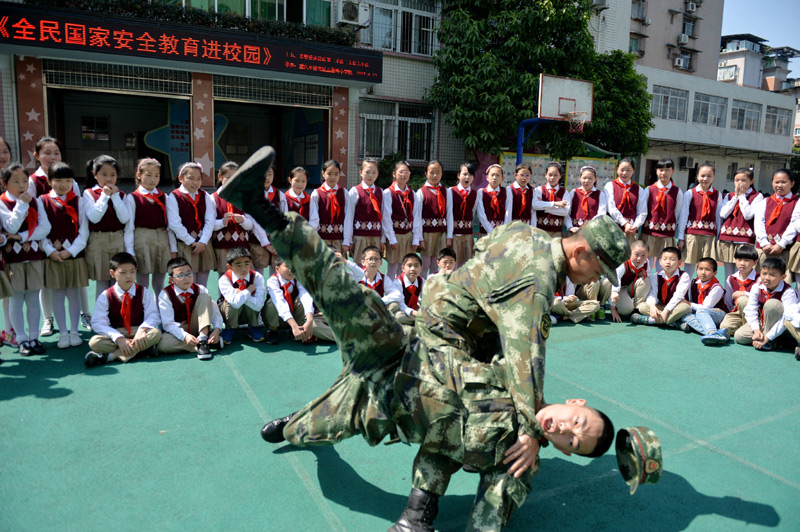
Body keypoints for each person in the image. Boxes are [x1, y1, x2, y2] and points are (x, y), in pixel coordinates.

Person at [216, 145, 634, 532]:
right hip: (413, 349)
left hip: (403, 385)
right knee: (348, 296)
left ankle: (302, 427)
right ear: (581, 253)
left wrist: (523, 430)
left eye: (571, 439)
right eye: (597, 271)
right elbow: (527, 350)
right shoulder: (538, 289)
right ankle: (261, 206)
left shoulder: (524, 232)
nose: (565, 427)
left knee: (328, 418)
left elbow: (485, 261)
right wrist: (529, 428)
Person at [0, 163, 51, 356]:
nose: (22, 185)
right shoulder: (3, 202)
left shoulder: (36, 201)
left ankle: (34, 337)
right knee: (16, 299)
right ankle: (21, 339)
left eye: (25, 181)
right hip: (13, 259)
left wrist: (20, 237)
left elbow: (45, 228)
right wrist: (21, 204)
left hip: (34, 255)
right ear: (4, 184)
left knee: (33, 298)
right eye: (16, 181)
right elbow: (10, 226)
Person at [40, 163, 89, 349]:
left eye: (68, 180)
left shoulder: (79, 201)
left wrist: (71, 251)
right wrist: (50, 251)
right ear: (49, 181)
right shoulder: (42, 201)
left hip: (74, 256)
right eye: (58, 180)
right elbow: (40, 230)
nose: (63, 185)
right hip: (53, 257)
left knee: (74, 293)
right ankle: (63, 332)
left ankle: (74, 332)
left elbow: (84, 231)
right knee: (58, 294)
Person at [85, 252, 162, 367]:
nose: (129, 276)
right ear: (112, 273)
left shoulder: (144, 292)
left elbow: (153, 315)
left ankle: (111, 356)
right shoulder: (106, 295)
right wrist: (119, 338)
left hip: (138, 331)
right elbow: (98, 322)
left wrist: (142, 330)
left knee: (156, 333)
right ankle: (143, 349)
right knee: (94, 342)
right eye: (123, 272)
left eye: (132, 272)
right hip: (117, 331)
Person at [83, 155, 131, 304]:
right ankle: (101, 314)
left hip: (118, 240)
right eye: (104, 174)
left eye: (112, 175)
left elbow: (124, 218)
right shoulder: (89, 193)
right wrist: (104, 196)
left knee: (118, 281)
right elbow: (94, 217)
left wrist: (115, 197)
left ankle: (117, 313)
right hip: (99, 241)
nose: (108, 179)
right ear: (95, 174)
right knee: (102, 282)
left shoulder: (121, 195)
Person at [124, 158, 176, 294]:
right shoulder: (133, 197)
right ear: (139, 175)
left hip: (162, 240)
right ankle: (144, 306)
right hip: (142, 240)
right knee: (143, 282)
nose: (153, 179)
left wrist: (173, 247)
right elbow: (129, 227)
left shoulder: (164, 197)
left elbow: (170, 225)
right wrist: (130, 251)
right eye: (148, 175)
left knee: (159, 283)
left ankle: (159, 306)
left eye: (156, 175)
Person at [158, 257, 223, 360]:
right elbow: (168, 324)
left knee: (205, 297)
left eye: (189, 273)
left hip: (198, 326)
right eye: (180, 275)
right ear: (171, 279)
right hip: (179, 329)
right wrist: (185, 336)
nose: (186, 278)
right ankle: (203, 345)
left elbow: (214, 311)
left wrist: (217, 329)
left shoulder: (200, 289)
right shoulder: (165, 294)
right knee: (162, 344)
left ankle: (203, 339)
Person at [264, 255, 335, 345]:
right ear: (277, 269)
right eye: (287, 266)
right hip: (277, 318)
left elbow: (306, 298)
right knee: (272, 303)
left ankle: (296, 329)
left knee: (302, 300)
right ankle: (272, 330)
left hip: (295, 317)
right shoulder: (272, 281)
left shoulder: (299, 279)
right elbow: (280, 304)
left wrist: (309, 320)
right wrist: (293, 325)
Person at [166, 162, 216, 287]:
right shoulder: (174, 197)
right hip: (186, 245)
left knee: (203, 284)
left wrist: (203, 241)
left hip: (203, 245)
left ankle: (202, 299)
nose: (195, 182)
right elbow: (174, 224)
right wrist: (191, 242)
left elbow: (210, 220)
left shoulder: (205, 196)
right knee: (187, 282)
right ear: (181, 178)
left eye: (199, 179)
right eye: (191, 178)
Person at [735, 257, 797, 350]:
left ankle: (770, 339)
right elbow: (751, 309)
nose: (767, 278)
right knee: (739, 336)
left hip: (781, 326)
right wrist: (756, 330)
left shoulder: (788, 292)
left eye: (772, 275)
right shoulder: (757, 286)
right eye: (764, 274)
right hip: (762, 322)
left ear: (783, 277)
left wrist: (767, 337)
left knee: (772, 304)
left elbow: (786, 318)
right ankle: (771, 341)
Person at [677, 162, 722, 277]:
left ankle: (703, 288)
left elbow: (718, 217)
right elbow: (684, 216)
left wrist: (717, 238)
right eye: (702, 175)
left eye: (709, 176)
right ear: (697, 176)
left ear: (713, 177)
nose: (705, 179)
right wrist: (681, 237)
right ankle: (686, 287)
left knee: (706, 268)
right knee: (689, 267)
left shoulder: (717, 195)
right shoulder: (689, 193)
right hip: (692, 235)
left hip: (709, 236)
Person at [211, 161, 255, 277]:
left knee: (243, 275)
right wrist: (222, 222)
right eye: (228, 177)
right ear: (220, 177)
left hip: (241, 245)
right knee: (224, 277)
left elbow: (251, 224)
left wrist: (243, 220)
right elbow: (210, 224)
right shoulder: (213, 198)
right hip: (222, 246)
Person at [717, 168, 762, 279]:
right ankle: (728, 290)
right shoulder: (729, 196)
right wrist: (735, 197)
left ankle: (741, 290)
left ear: (751, 181)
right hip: (727, 237)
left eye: (743, 180)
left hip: (744, 239)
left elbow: (748, 215)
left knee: (742, 272)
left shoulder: (757, 196)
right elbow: (723, 214)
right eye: (737, 180)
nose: (740, 183)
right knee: (728, 274)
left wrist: (742, 196)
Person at [640, 158, 683, 272]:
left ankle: (661, 282)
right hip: (649, 232)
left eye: (667, 170)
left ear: (673, 171)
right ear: (656, 171)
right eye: (661, 170)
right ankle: (647, 282)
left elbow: (677, 212)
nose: (664, 173)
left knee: (664, 263)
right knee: (647, 262)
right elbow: (644, 210)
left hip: (667, 234)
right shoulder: (649, 190)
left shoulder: (677, 192)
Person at [631, 246, 691, 326]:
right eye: (665, 259)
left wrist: (666, 311)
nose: (668, 262)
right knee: (642, 306)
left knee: (686, 307)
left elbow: (678, 296)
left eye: (672, 259)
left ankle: (650, 320)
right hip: (661, 306)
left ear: (679, 262)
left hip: (675, 307)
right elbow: (652, 293)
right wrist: (652, 306)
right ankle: (673, 322)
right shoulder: (657, 275)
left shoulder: (684, 276)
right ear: (660, 261)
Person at [218, 247, 267, 344]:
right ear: (229, 266)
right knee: (230, 302)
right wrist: (248, 291)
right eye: (238, 265)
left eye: (246, 264)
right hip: (230, 313)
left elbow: (259, 306)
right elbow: (235, 304)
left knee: (247, 300)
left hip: (249, 311)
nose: (243, 269)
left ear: (251, 262)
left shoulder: (257, 277)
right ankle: (230, 328)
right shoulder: (224, 279)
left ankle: (253, 326)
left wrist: (240, 294)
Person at [678, 257, 730, 345]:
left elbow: (706, 307)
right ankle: (715, 333)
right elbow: (692, 301)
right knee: (686, 316)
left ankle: (712, 332)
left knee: (701, 311)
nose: (703, 272)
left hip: (717, 313)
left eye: (707, 270)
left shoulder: (716, 287)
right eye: (700, 269)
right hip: (700, 312)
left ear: (715, 273)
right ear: (696, 270)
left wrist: (689, 304)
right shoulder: (694, 282)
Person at [382, 161, 420, 280]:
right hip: (395, 235)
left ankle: (401, 288)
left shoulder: (412, 194)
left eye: (407, 172)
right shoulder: (388, 193)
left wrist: (416, 237)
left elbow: (416, 216)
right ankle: (389, 289)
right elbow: (386, 217)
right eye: (401, 172)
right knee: (392, 266)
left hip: (408, 235)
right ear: (394, 174)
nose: (404, 175)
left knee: (404, 266)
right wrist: (391, 238)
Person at [753, 169, 798, 268]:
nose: (779, 185)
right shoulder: (765, 201)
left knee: (783, 276)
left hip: (786, 250)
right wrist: (764, 243)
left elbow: (794, 225)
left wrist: (781, 244)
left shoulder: (797, 203)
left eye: (784, 182)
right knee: (762, 275)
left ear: (792, 183)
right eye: (776, 182)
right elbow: (759, 223)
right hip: (765, 249)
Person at [343, 158, 384, 262]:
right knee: (359, 264)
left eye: (374, 172)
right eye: (367, 172)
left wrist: (383, 238)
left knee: (374, 264)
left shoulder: (381, 192)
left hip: (375, 237)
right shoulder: (355, 191)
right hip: (359, 237)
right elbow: (349, 217)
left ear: (378, 174)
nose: (370, 175)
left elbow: (384, 217)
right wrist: (348, 239)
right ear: (361, 172)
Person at [249, 163, 285, 277]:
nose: (266, 178)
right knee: (258, 271)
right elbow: (254, 220)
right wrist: (266, 243)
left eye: (270, 174)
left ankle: (272, 290)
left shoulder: (280, 195)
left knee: (275, 270)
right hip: (257, 240)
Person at [414, 160, 449, 277]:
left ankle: (433, 286)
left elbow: (449, 214)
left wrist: (448, 236)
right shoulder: (421, 192)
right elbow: (417, 216)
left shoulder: (446, 191)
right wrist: (420, 238)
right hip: (426, 234)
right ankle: (422, 286)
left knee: (436, 264)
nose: (435, 175)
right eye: (431, 172)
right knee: (425, 264)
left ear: (442, 174)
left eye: (438, 172)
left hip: (441, 234)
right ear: (426, 174)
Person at [719, 245, 759, 337]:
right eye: (739, 260)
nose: (742, 263)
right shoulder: (731, 278)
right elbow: (728, 301)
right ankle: (742, 326)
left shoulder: (759, 279)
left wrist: (745, 293)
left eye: (747, 260)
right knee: (724, 326)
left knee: (742, 300)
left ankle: (749, 327)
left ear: (755, 262)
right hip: (738, 312)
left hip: (755, 313)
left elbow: (762, 299)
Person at [605, 157, 646, 244]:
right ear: (617, 170)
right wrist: (624, 223)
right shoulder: (610, 186)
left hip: (631, 230)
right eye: (622, 170)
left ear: (633, 171)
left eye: (628, 170)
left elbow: (642, 211)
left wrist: (635, 225)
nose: (624, 173)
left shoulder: (639, 189)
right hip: (613, 229)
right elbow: (611, 208)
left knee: (630, 251)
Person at [310, 159, 348, 253]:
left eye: (336, 174)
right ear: (323, 173)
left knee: (338, 261)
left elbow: (348, 217)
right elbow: (314, 218)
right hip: (321, 239)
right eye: (329, 174)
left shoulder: (344, 193)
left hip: (339, 239)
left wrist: (347, 240)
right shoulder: (316, 194)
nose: (333, 177)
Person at [610, 240, 651, 322]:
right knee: (626, 310)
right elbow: (615, 280)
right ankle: (617, 305)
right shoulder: (623, 262)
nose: (639, 258)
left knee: (646, 281)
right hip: (620, 288)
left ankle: (637, 309)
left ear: (648, 254)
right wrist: (613, 309)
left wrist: (644, 275)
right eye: (636, 254)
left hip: (630, 286)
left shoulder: (646, 262)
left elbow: (649, 278)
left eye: (643, 255)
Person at [446, 162, 477, 269]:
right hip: (454, 234)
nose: (467, 177)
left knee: (466, 264)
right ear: (458, 175)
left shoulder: (475, 193)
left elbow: (473, 211)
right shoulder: (451, 191)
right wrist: (449, 235)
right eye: (464, 174)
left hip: (468, 234)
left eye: (470, 175)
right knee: (453, 263)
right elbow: (449, 213)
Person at [358, 246, 402, 310]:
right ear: (363, 262)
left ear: (381, 262)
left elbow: (397, 294)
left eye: (376, 259)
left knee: (394, 305)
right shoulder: (356, 277)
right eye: (370, 259)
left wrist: (378, 301)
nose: (373, 262)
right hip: (360, 309)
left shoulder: (384, 278)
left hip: (377, 309)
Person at [566, 165, 608, 233]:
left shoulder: (600, 194)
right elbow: (567, 212)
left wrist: (590, 225)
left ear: (595, 179)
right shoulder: (574, 192)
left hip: (593, 232)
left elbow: (601, 213)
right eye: (584, 178)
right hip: (574, 231)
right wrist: (570, 227)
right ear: (580, 178)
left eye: (590, 178)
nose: (587, 181)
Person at [532, 161, 569, 237]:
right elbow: (535, 205)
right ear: (545, 175)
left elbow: (565, 211)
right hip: (540, 230)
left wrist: (544, 207)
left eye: (556, 175)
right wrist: (555, 204)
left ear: (560, 176)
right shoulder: (539, 190)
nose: (552, 178)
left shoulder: (564, 192)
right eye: (550, 175)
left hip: (557, 231)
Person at [393, 252, 424, 326]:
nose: (413, 269)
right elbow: (400, 304)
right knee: (398, 317)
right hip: (401, 310)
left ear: (421, 268)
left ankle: (420, 320)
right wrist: (413, 312)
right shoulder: (398, 282)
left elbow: (426, 298)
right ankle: (419, 321)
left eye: (416, 265)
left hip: (415, 309)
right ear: (403, 268)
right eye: (409, 266)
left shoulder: (422, 281)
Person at [476, 163, 506, 235]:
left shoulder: (507, 192)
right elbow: (481, 213)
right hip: (485, 232)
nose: (494, 178)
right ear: (487, 177)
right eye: (492, 175)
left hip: (502, 233)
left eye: (498, 175)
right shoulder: (481, 192)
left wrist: (503, 229)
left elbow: (508, 212)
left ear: (502, 178)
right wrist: (490, 230)